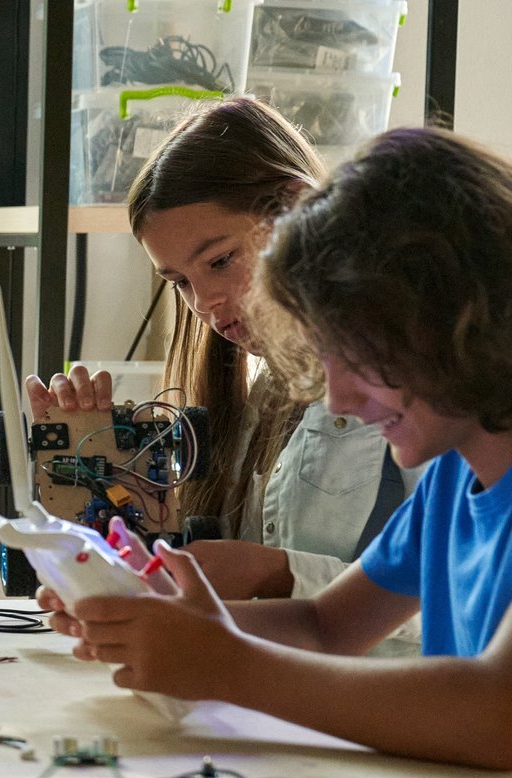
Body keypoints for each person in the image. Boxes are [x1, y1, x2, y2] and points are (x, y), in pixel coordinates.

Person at [44, 128, 512, 771]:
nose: (336, 399)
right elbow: (324, 626)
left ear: (461, 315)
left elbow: (503, 718)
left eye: (360, 352)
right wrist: (148, 621)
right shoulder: (455, 475)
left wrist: (226, 664)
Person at [27, 97, 417, 651]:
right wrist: (100, 481)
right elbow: (273, 613)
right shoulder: (258, 394)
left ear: (297, 209)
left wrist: (275, 571)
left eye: (218, 261)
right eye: (179, 282)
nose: (205, 302)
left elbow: (451, 604)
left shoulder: (423, 383)